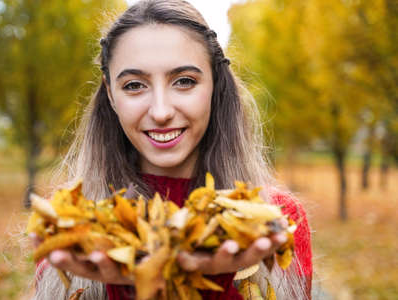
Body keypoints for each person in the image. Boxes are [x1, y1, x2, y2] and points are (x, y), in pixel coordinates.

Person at [31, 0, 312, 299]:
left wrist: (211, 286)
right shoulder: (71, 224)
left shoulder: (279, 218)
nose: (161, 111)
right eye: (134, 85)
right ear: (111, 94)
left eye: (184, 81)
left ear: (215, 86)